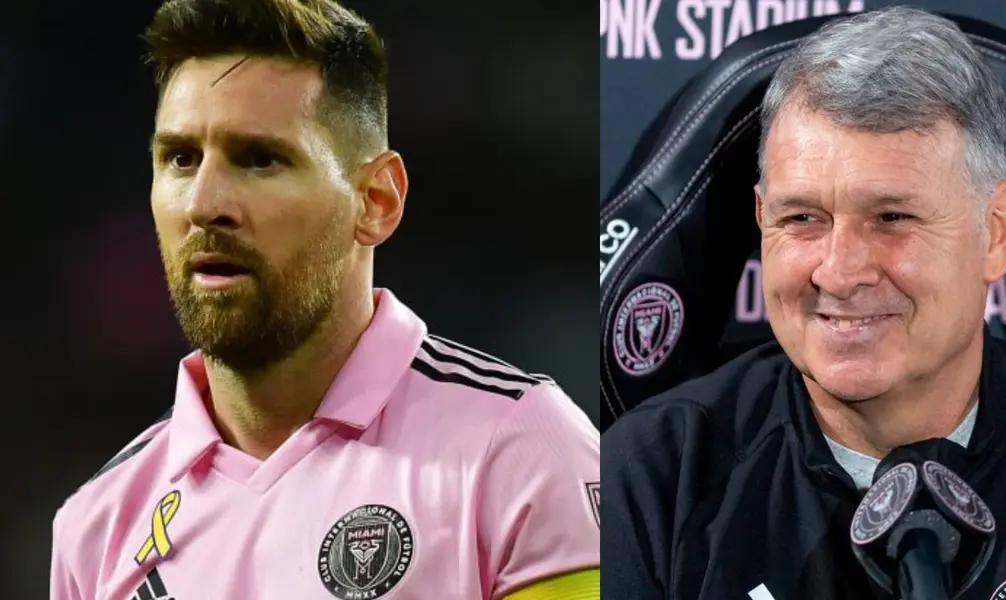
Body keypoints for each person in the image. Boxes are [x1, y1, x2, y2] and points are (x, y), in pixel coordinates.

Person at [601, 7, 1006, 599]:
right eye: (803, 218)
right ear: (761, 220)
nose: (838, 272)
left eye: (892, 218)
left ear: (996, 231)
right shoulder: (650, 479)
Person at [49, 1, 599, 598]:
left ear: (376, 201)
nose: (205, 204)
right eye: (180, 158)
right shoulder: (96, 525)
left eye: (261, 159)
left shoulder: (520, 452)